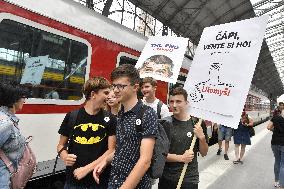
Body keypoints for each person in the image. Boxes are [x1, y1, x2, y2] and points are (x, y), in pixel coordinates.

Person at [93, 64, 159, 189]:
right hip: (114, 181)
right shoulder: (121, 114)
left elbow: (145, 161)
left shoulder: (147, 114)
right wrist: (106, 161)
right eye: (114, 86)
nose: (115, 90)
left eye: (121, 86)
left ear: (135, 87)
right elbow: (122, 148)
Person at [56, 77, 116, 189]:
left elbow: (111, 150)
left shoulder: (111, 119)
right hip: (73, 181)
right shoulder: (72, 116)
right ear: (93, 94)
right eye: (106, 93)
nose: (109, 96)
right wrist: (64, 156)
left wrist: (86, 169)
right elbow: (60, 145)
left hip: (99, 181)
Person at [158, 87, 208, 189]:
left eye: (178, 101)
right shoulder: (164, 124)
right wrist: (181, 158)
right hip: (166, 178)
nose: (174, 105)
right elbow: (158, 154)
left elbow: (204, 153)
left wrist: (202, 138)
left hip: (189, 179)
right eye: (171, 102)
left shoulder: (197, 123)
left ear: (186, 103)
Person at [0, 82, 28, 188]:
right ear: (13, 99)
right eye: (23, 97)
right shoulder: (5, 124)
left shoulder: (6, 118)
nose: (24, 101)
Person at [267, 102, 284, 189]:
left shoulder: (276, 117)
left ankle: (276, 182)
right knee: (283, 164)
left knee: (277, 161)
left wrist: (275, 130)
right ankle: (282, 185)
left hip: (275, 142)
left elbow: (269, 127)